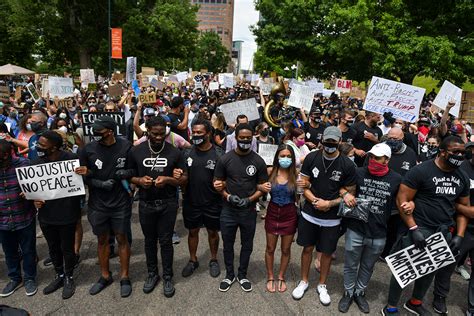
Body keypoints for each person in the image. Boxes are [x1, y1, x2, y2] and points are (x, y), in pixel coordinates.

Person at [382, 136, 470, 316]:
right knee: (404, 269)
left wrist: (459, 235)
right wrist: (413, 229)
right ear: (443, 152)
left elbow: (463, 210)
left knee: (429, 270)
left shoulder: (462, 176)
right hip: (419, 228)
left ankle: (415, 302)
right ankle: (391, 306)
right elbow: (402, 200)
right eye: (456, 152)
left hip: (443, 232)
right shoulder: (421, 170)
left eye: (463, 152)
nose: (460, 156)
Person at [292, 126, 356, 305]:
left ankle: (322, 285)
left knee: (326, 253)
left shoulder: (347, 164)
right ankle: (304, 281)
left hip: (332, 218)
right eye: (326, 142)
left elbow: (350, 193)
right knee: (307, 249)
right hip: (310, 214)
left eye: (333, 143)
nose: (329, 146)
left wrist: (329, 203)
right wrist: (314, 201)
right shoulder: (312, 157)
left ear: (340, 142)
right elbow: (303, 183)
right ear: (322, 141)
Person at [337, 143, 402, 313]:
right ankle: (348, 292)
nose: (372, 160)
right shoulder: (358, 172)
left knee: (367, 266)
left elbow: (403, 200)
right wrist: (346, 194)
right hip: (356, 229)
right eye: (371, 157)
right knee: (351, 264)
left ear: (386, 160)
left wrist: (408, 204)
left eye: (377, 158)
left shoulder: (396, 179)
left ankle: (359, 292)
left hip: (379, 232)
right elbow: (342, 187)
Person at [128, 115, 187, 297]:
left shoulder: (175, 152)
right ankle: (152, 274)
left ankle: (168, 276)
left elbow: (184, 179)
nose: (159, 137)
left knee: (166, 241)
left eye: (162, 133)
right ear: (148, 132)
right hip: (146, 203)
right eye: (155, 134)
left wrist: (169, 179)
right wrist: (139, 180)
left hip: (168, 204)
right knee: (149, 242)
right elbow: (128, 175)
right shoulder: (136, 151)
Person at [79, 116, 133, 298]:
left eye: (99, 132)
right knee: (102, 240)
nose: (95, 135)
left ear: (110, 131)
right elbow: (83, 175)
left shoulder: (126, 146)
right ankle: (105, 275)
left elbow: (134, 170)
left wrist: (125, 173)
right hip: (98, 204)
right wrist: (98, 182)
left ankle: (124, 276)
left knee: (121, 238)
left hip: (120, 203)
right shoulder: (88, 149)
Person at [213, 123, 268, 292]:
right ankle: (229, 275)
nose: (245, 140)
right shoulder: (225, 159)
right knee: (228, 244)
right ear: (235, 138)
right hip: (228, 210)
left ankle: (242, 274)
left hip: (248, 211)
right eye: (242, 137)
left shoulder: (258, 161)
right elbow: (217, 183)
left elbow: (263, 186)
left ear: (252, 138)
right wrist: (228, 196)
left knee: (247, 244)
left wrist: (250, 200)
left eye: (248, 138)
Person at [32, 131, 83, 299]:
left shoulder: (71, 160)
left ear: (53, 147)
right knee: (53, 248)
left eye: (42, 145)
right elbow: (33, 189)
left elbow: (81, 183)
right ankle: (59, 274)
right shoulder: (37, 163)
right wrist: (34, 200)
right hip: (46, 215)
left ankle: (69, 276)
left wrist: (83, 173)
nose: (38, 147)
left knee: (67, 249)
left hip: (67, 212)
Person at [176, 119, 224, 279]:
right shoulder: (187, 153)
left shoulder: (218, 154)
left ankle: (214, 259)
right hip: (191, 202)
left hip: (213, 202)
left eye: (199, 133)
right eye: (194, 132)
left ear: (208, 134)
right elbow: (182, 176)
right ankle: (192, 259)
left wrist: (222, 184)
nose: (195, 135)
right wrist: (179, 177)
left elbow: (226, 178)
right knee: (192, 232)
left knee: (212, 232)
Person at [259, 144, 300, 293]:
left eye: (289, 156)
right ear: (277, 157)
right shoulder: (270, 171)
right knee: (270, 248)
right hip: (272, 212)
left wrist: (305, 186)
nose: (285, 159)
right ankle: (270, 276)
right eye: (282, 156)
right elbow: (256, 184)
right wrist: (260, 188)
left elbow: (301, 194)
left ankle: (281, 276)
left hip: (289, 214)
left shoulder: (296, 174)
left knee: (286, 249)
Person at [0, 140, 37, 297]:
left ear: (6, 154)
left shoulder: (24, 165)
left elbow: (37, 187)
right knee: (9, 252)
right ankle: (15, 278)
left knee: (28, 250)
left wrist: (29, 193)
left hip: (24, 216)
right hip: (2, 221)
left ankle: (29, 278)